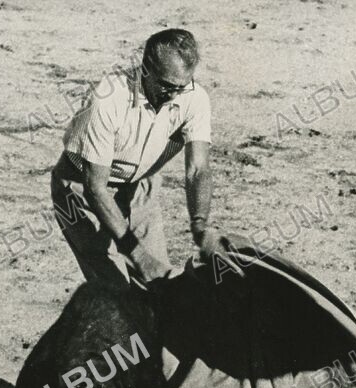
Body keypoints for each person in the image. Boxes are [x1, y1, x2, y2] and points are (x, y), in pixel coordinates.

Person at [51, 28, 242, 287]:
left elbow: (198, 169)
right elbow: (95, 188)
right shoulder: (108, 98)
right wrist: (138, 254)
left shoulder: (194, 97)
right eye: (166, 85)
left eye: (181, 87)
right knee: (116, 291)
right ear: (145, 69)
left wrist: (200, 227)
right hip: (82, 191)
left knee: (162, 287)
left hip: (141, 187)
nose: (174, 95)